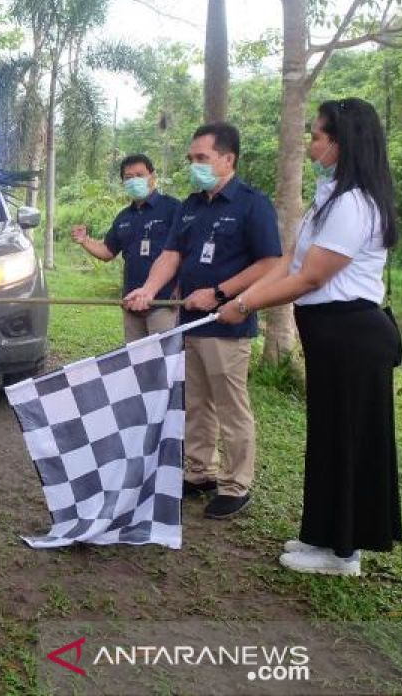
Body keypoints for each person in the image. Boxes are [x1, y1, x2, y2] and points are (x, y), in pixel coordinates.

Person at [218, 98, 402, 576]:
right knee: (328, 439)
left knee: (347, 441)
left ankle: (344, 553)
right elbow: (288, 265)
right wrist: (241, 293)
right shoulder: (331, 198)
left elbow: (310, 279)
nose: (311, 142)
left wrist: (242, 306)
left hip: (352, 337)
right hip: (331, 336)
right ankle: (323, 536)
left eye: (318, 135)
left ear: (340, 143)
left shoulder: (355, 204)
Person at [123, 123, 281, 520]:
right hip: (188, 322)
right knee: (195, 402)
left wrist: (220, 292)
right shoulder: (191, 206)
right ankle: (200, 472)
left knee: (231, 407)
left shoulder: (252, 203)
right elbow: (171, 255)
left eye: (202, 158)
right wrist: (148, 288)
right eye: (192, 159)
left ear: (228, 159)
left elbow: (269, 264)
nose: (195, 166)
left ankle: (236, 484)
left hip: (227, 325)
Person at [72, 154, 181, 341]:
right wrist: (84, 240)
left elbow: (184, 251)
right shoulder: (124, 217)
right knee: (136, 362)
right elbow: (107, 252)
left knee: (164, 362)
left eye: (140, 175)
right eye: (128, 178)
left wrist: (179, 289)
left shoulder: (173, 208)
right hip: (131, 303)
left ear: (152, 177)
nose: (134, 181)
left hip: (163, 303)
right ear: (123, 182)